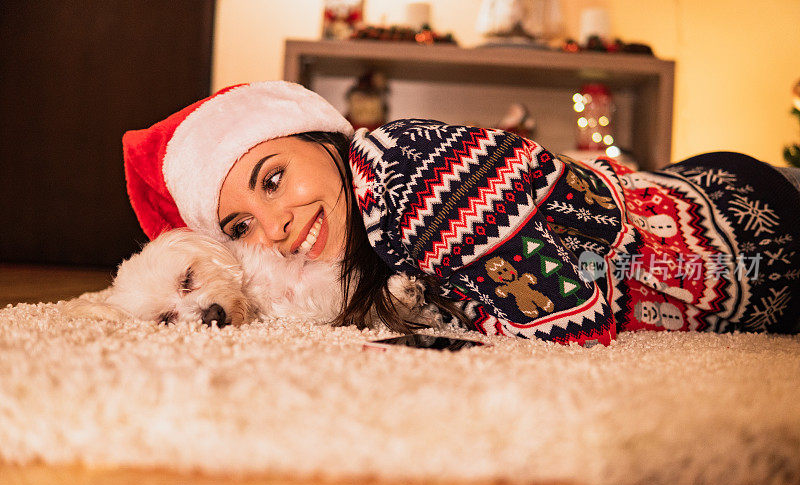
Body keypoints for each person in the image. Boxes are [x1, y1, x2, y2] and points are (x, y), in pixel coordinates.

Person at [122, 81, 800, 346]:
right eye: (241, 227)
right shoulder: (367, 231)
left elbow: (574, 322)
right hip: (676, 185)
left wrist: (396, 345)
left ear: (325, 138)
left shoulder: (418, 173)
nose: (275, 229)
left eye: (273, 179)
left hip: (758, 233)